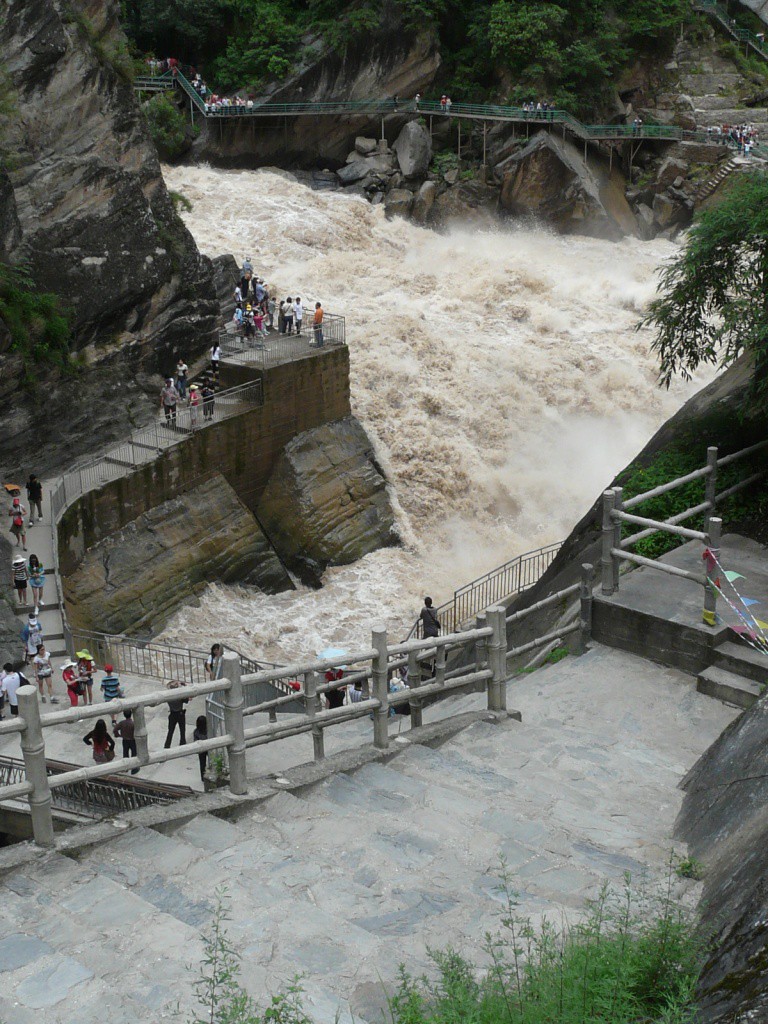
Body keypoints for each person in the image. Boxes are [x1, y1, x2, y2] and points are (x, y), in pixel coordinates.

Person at [164, 680, 189, 747]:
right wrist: (185, 686)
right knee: (182, 730)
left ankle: (167, 745)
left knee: (170, 731)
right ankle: (182, 743)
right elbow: (186, 700)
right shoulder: (179, 696)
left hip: (172, 714)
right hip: (180, 714)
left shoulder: (168, 697)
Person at [114, 710, 139, 774]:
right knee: (134, 754)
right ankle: (134, 769)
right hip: (133, 740)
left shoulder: (122, 723)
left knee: (125, 754)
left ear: (124, 715)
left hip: (125, 740)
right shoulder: (133, 723)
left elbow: (115, 729)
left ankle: (126, 768)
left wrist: (118, 735)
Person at [193, 714, 208, 780]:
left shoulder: (196, 732)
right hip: (209, 747)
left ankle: (203, 777)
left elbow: (195, 741)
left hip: (201, 749)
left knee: (202, 763)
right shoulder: (209, 730)